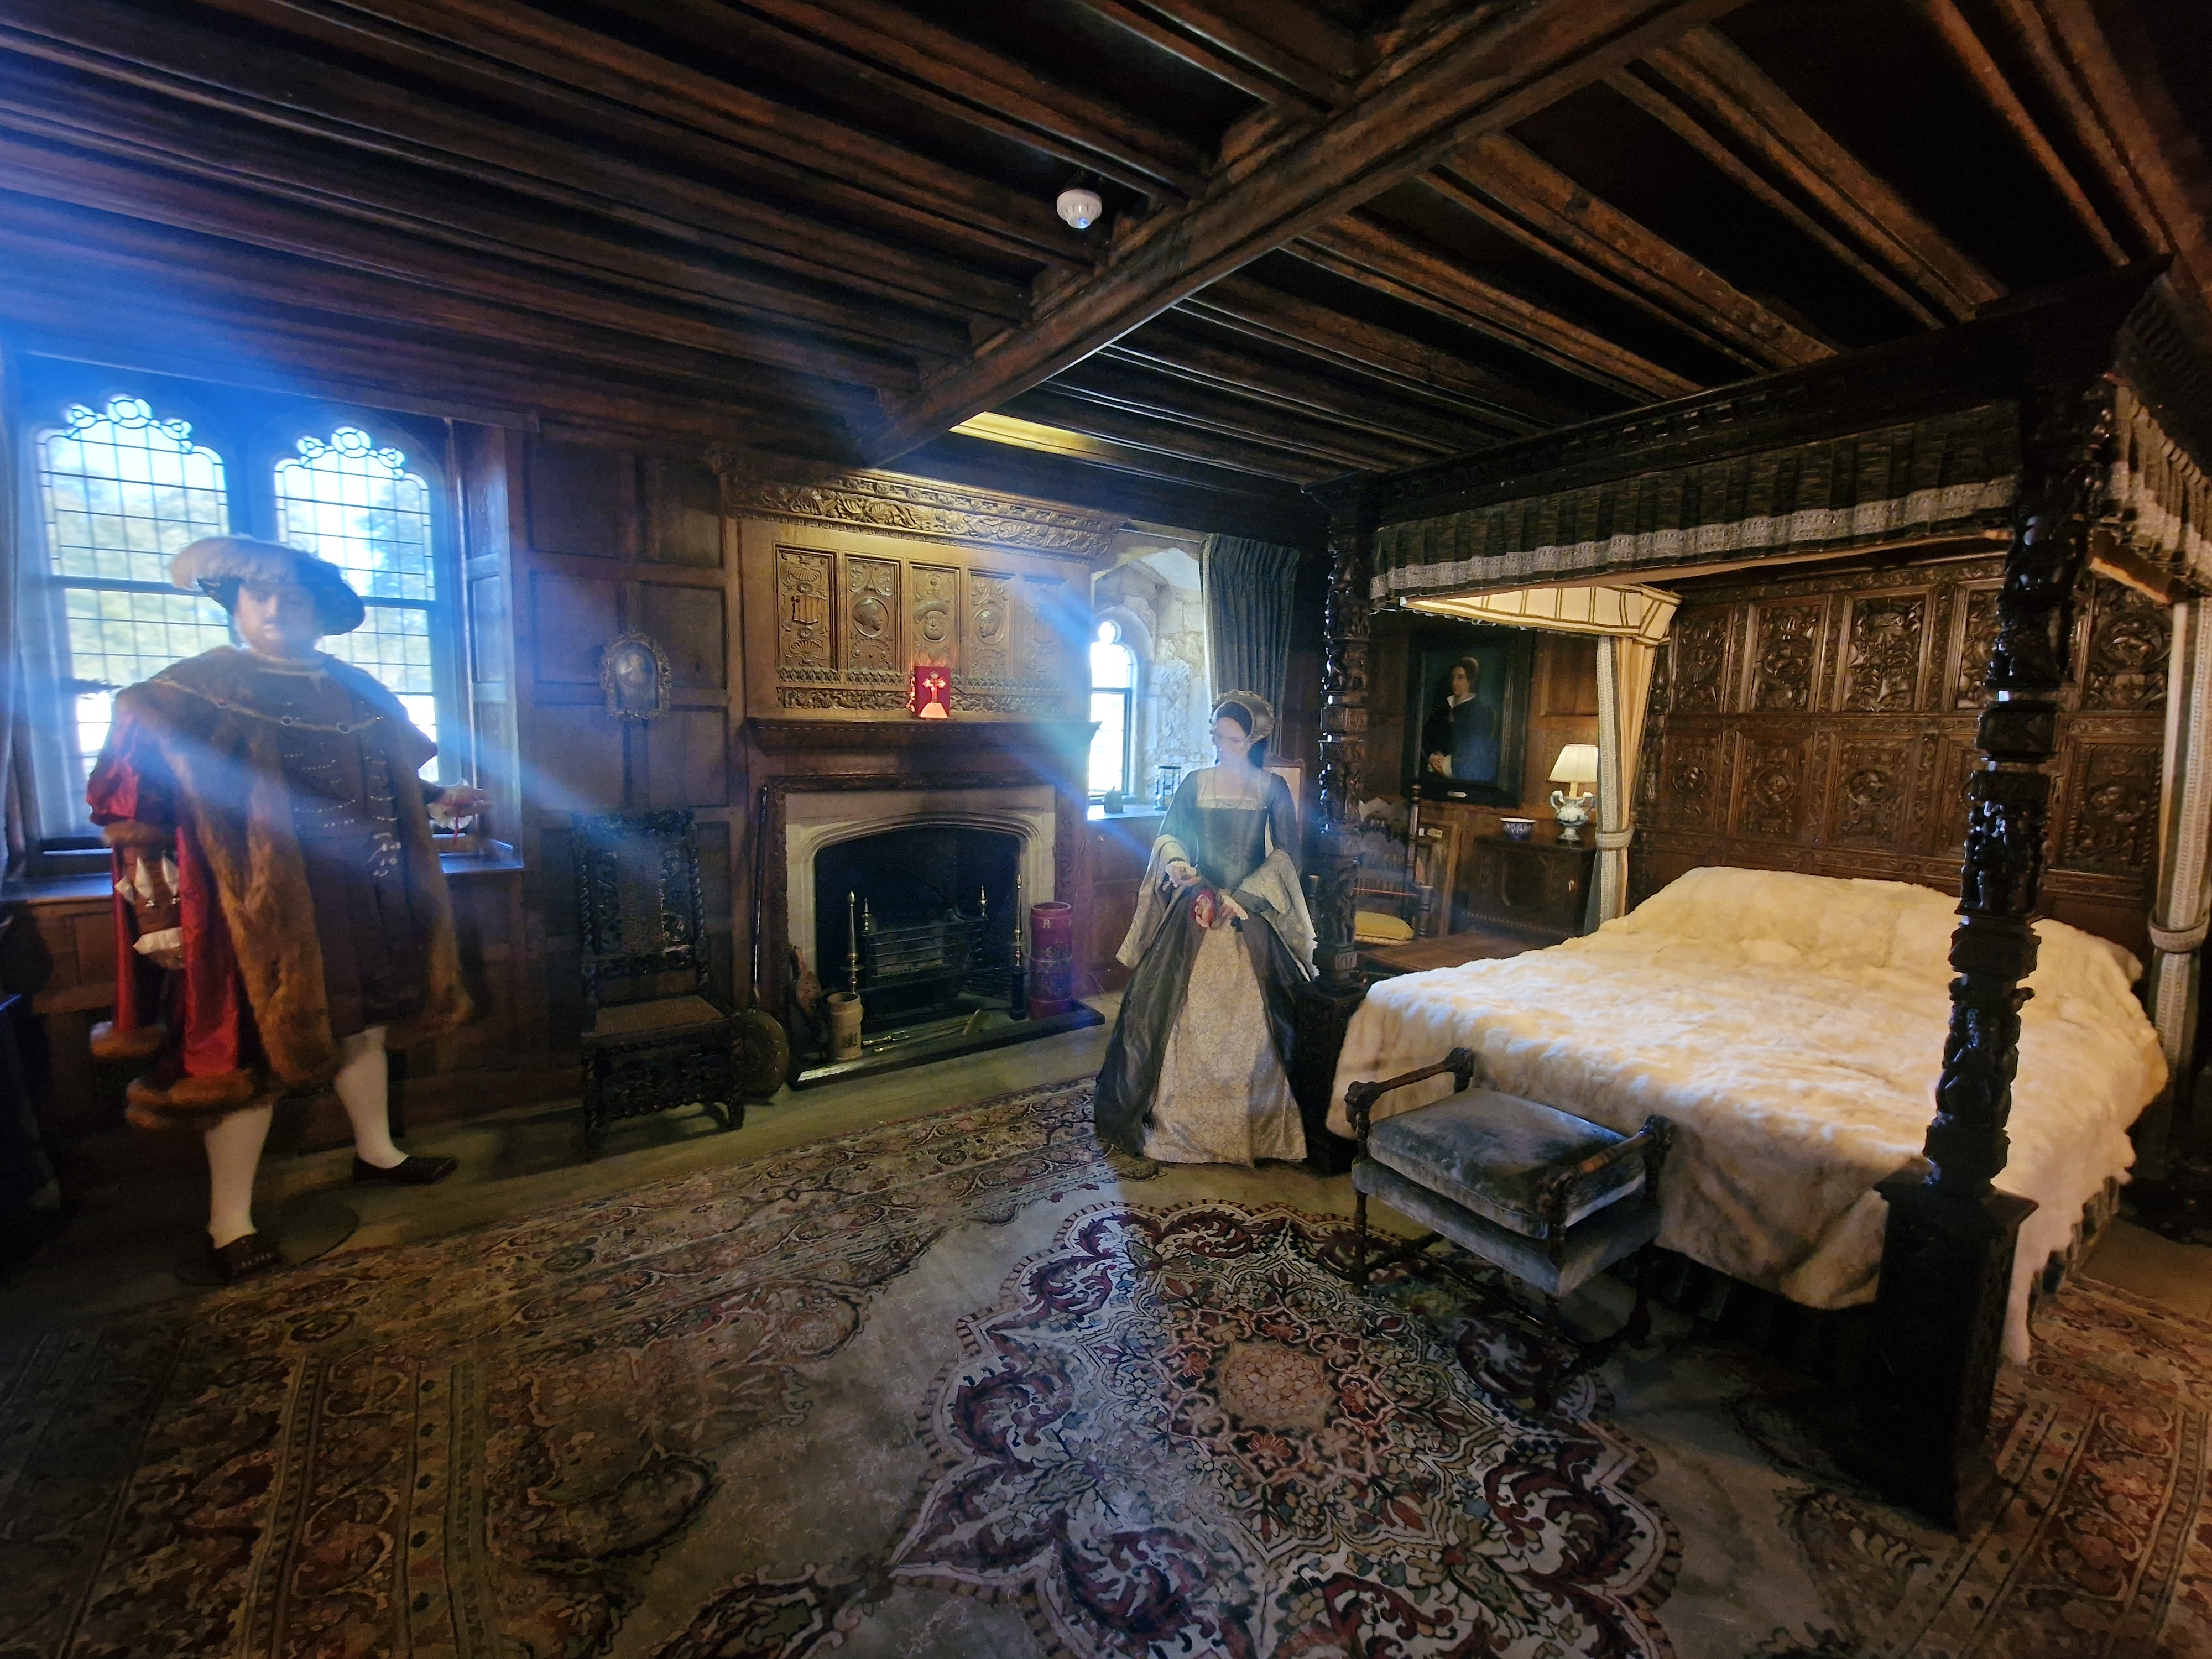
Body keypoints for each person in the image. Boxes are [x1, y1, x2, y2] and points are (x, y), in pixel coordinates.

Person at [86, 536, 488, 1281]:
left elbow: (393, 780)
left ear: (319, 610)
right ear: (234, 602)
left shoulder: (358, 690)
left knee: (363, 1026)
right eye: (259, 594)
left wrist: (440, 800)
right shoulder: (181, 696)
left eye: (293, 596)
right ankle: (229, 1224)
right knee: (247, 1057)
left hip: (368, 891)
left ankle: (377, 1153)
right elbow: (137, 821)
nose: (275, 608)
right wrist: (160, 920)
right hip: (249, 913)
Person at [1094, 691, 1313, 1163]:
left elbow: (1287, 855)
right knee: (1163, 1008)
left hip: (1247, 912)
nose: (1222, 745)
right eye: (1217, 736)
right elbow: (1171, 833)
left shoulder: (1271, 788)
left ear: (1252, 740)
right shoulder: (1195, 783)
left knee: (1262, 1020)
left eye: (1232, 739)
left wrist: (1247, 898)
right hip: (1197, 903)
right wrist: (1176, 862)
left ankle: (1257, 1128)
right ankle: (1173, 1120)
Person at [1422, 655, 1500, 782]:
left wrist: (1447, 763)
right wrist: (1432, 757)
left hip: (1465, 780)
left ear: (1471, 681)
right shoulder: (1439, 711)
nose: (1454, 683)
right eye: (1453, 677)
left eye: (1460, 677)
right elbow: (1426, 738)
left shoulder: (1483, 713)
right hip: (1435, 780)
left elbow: (1478, 749)